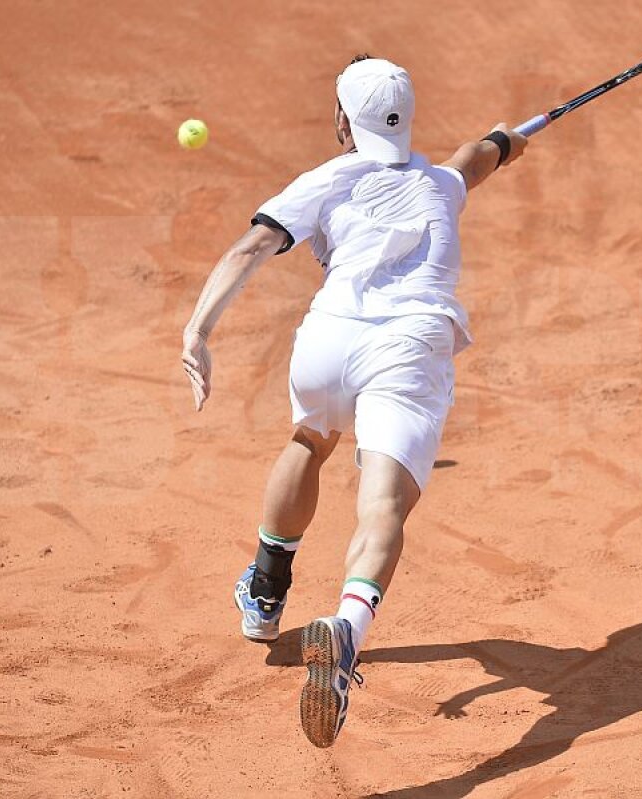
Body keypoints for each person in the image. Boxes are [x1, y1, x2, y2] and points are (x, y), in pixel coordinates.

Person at [180, 54, 527, 748]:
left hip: (329, 343)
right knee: (383, 508)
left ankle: (267, 587)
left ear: (342, 119)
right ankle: (344, 631)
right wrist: (507, 141)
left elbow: (252, 246)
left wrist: (198, 329)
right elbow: (474, 160)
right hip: (407, 352)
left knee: (310, 438)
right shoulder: (440, 184)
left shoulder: (328, 179)